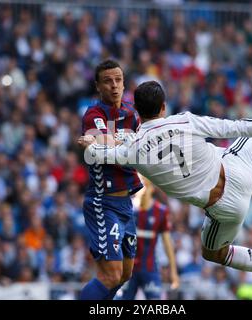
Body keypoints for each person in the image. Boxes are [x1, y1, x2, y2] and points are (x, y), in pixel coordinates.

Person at [79, 36, 252, 293]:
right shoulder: (186, 120)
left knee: (215, 253)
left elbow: (104, 155)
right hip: (238, 166)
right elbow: (238, 126)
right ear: (164, 107)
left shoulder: (135, 149)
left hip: (227, 208)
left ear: (137, 112)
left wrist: (91, 145)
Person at [79, 60, 143, 300]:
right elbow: (100, 141)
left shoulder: (131, 113)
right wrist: (124, 141)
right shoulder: (94, 114)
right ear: (98, 86)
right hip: (102, 202)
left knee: (125, 274)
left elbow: (117, 142)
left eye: (118, 79)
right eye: (107, 81)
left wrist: (114, 141)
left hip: (125, 203)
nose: (114, 85)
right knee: (110, 276)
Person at [116, 176, 179, 300]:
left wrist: (173, 271)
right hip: (127, 269)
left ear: (152, 188)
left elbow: (168, 245)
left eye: (147, 185)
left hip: (149, 269)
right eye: (140, 186)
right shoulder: (125, 208)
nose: (143, 189)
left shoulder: (161, 212)